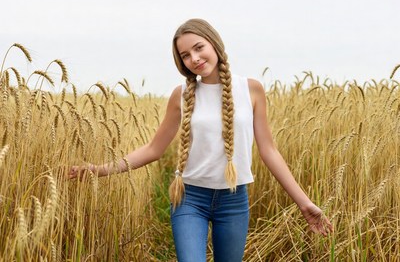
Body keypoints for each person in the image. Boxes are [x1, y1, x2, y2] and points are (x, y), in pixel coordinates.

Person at [69, 18, 333, 262]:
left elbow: (269, 151)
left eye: (198, 48)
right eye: (185, 55)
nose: (194, 58)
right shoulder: (180, 95)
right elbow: (153, 149)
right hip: (189, 198)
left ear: (214, 44)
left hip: (233, 200)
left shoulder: (251, 89)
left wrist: (305, 203)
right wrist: (99, 170)